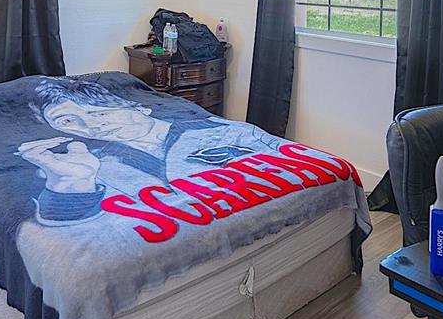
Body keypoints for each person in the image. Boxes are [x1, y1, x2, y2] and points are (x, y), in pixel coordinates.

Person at [16, 77, 282, 225]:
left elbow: (281, 156)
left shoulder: (226, 131)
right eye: (67, 121)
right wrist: (72, 185)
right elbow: (68, 233)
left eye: (99, 111)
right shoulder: (91, 166)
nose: (92, 125)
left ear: (138, 105)